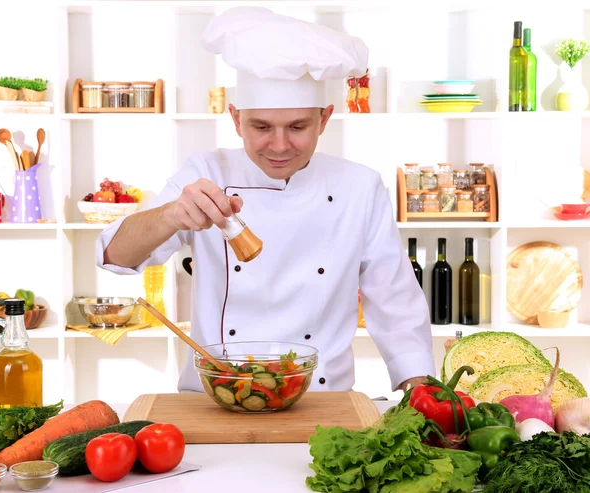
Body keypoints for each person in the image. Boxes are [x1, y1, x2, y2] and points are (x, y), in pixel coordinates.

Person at [96, 7, 434, 394]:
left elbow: (394, 300)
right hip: (216, 394)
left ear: (324, 119)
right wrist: (172, 216)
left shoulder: (359, 186)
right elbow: (114, 256)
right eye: (261, 127)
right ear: (236, 118)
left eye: (297, 127)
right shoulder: (206, 173)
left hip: (321, 399)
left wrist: (421, 393)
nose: (279, 145)